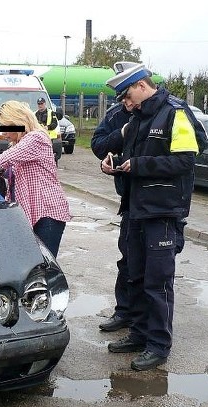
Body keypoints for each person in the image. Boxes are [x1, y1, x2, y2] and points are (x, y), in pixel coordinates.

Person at [104, 63, 200, 371]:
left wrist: (139, 164)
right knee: (137, 276)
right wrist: (115, 163)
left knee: (158, 283)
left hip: (162, 212)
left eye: (127, 95)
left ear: (142, 86)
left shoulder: (175, 113)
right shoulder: (137, 119)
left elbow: (185, 161)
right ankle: (140, 333)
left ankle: (158, 344)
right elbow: (134, 157)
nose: (126, 104)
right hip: (135, 210)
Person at [0, 100, 71, 257]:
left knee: (42, 267)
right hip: (33, 212)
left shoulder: (36, 138)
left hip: (47, 213)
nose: (3, 133)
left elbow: (5, 159)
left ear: (18, 122)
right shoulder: (20, 143)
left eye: (6, 127)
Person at [91, 97, 134, 332]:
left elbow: (190, 152)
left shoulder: (170, 110)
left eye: (128, 95)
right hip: (129, 200)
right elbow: (98, 146)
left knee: (152, 267)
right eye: (122, 97)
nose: (125, 102)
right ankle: (124, 312)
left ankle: (148, 323)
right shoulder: (117, 114)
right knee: (127, 259)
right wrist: (122, 135)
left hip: (160, 204)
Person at [34, 97, 62, 163]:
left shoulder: (51, 112)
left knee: (51, 156)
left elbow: (55, 123)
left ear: (45, 104)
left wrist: (47, 127)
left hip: (50, 137)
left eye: (41, 104)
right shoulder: (35, 114)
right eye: (39, 104)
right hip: (38, 137)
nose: (40, 105)